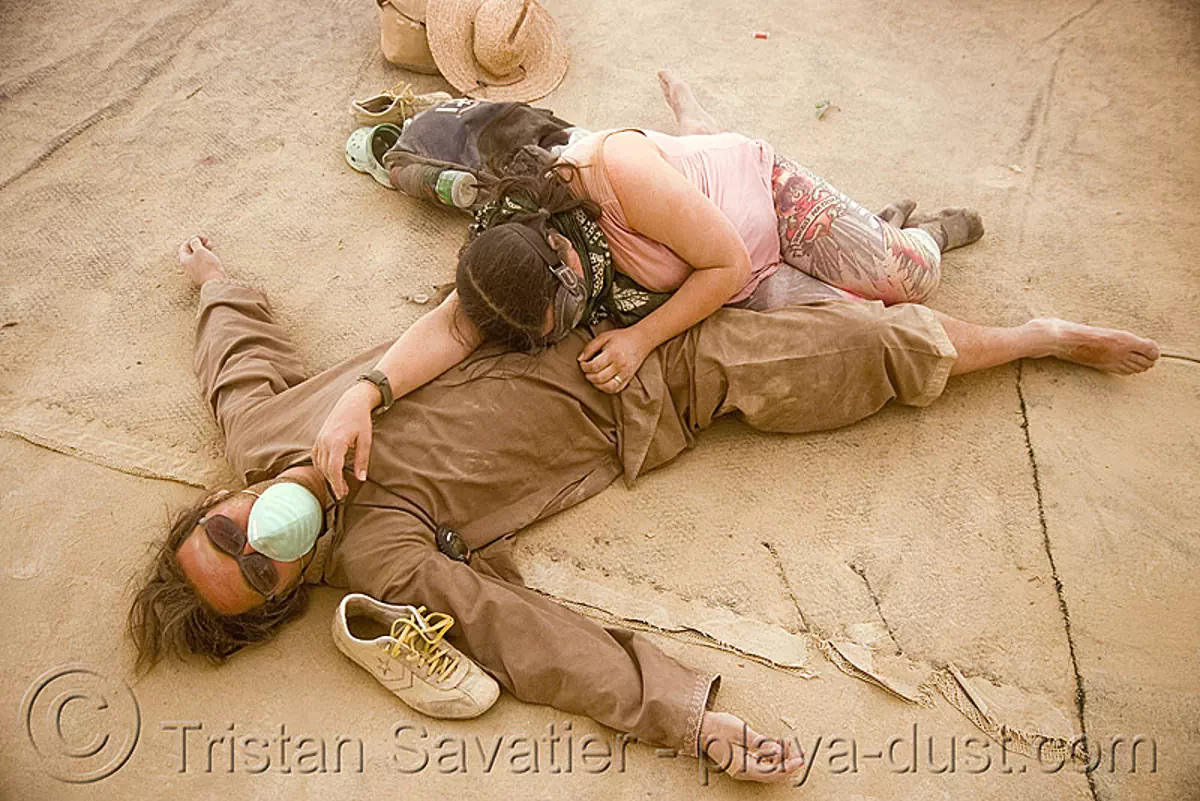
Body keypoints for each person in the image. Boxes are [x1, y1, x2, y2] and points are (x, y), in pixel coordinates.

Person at [130, 231, 1157, 783]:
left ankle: (891, 245)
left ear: (217, 501)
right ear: (292, 585)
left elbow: (236, 362)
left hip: (578, 290)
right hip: (666, 383)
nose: (259, 537)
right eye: (262, 569)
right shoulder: (380, 558)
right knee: (869, 349)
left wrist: (217, 279)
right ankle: (1035, 336)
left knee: (768, 240)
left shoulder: (261, 435)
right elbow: (522, 637)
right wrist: (687, 719)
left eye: (229, 532)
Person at [309, 72, 1028, 499]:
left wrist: (641, 335)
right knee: (858, 321)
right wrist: (362, 393)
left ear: (563, 246)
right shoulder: (505, 237)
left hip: (758, 212)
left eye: (566, 314)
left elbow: (729, 269)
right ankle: (870, 224)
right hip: (724, 268)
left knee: (910, 282)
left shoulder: (614, 176)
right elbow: (452, 326)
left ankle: (923, 230)